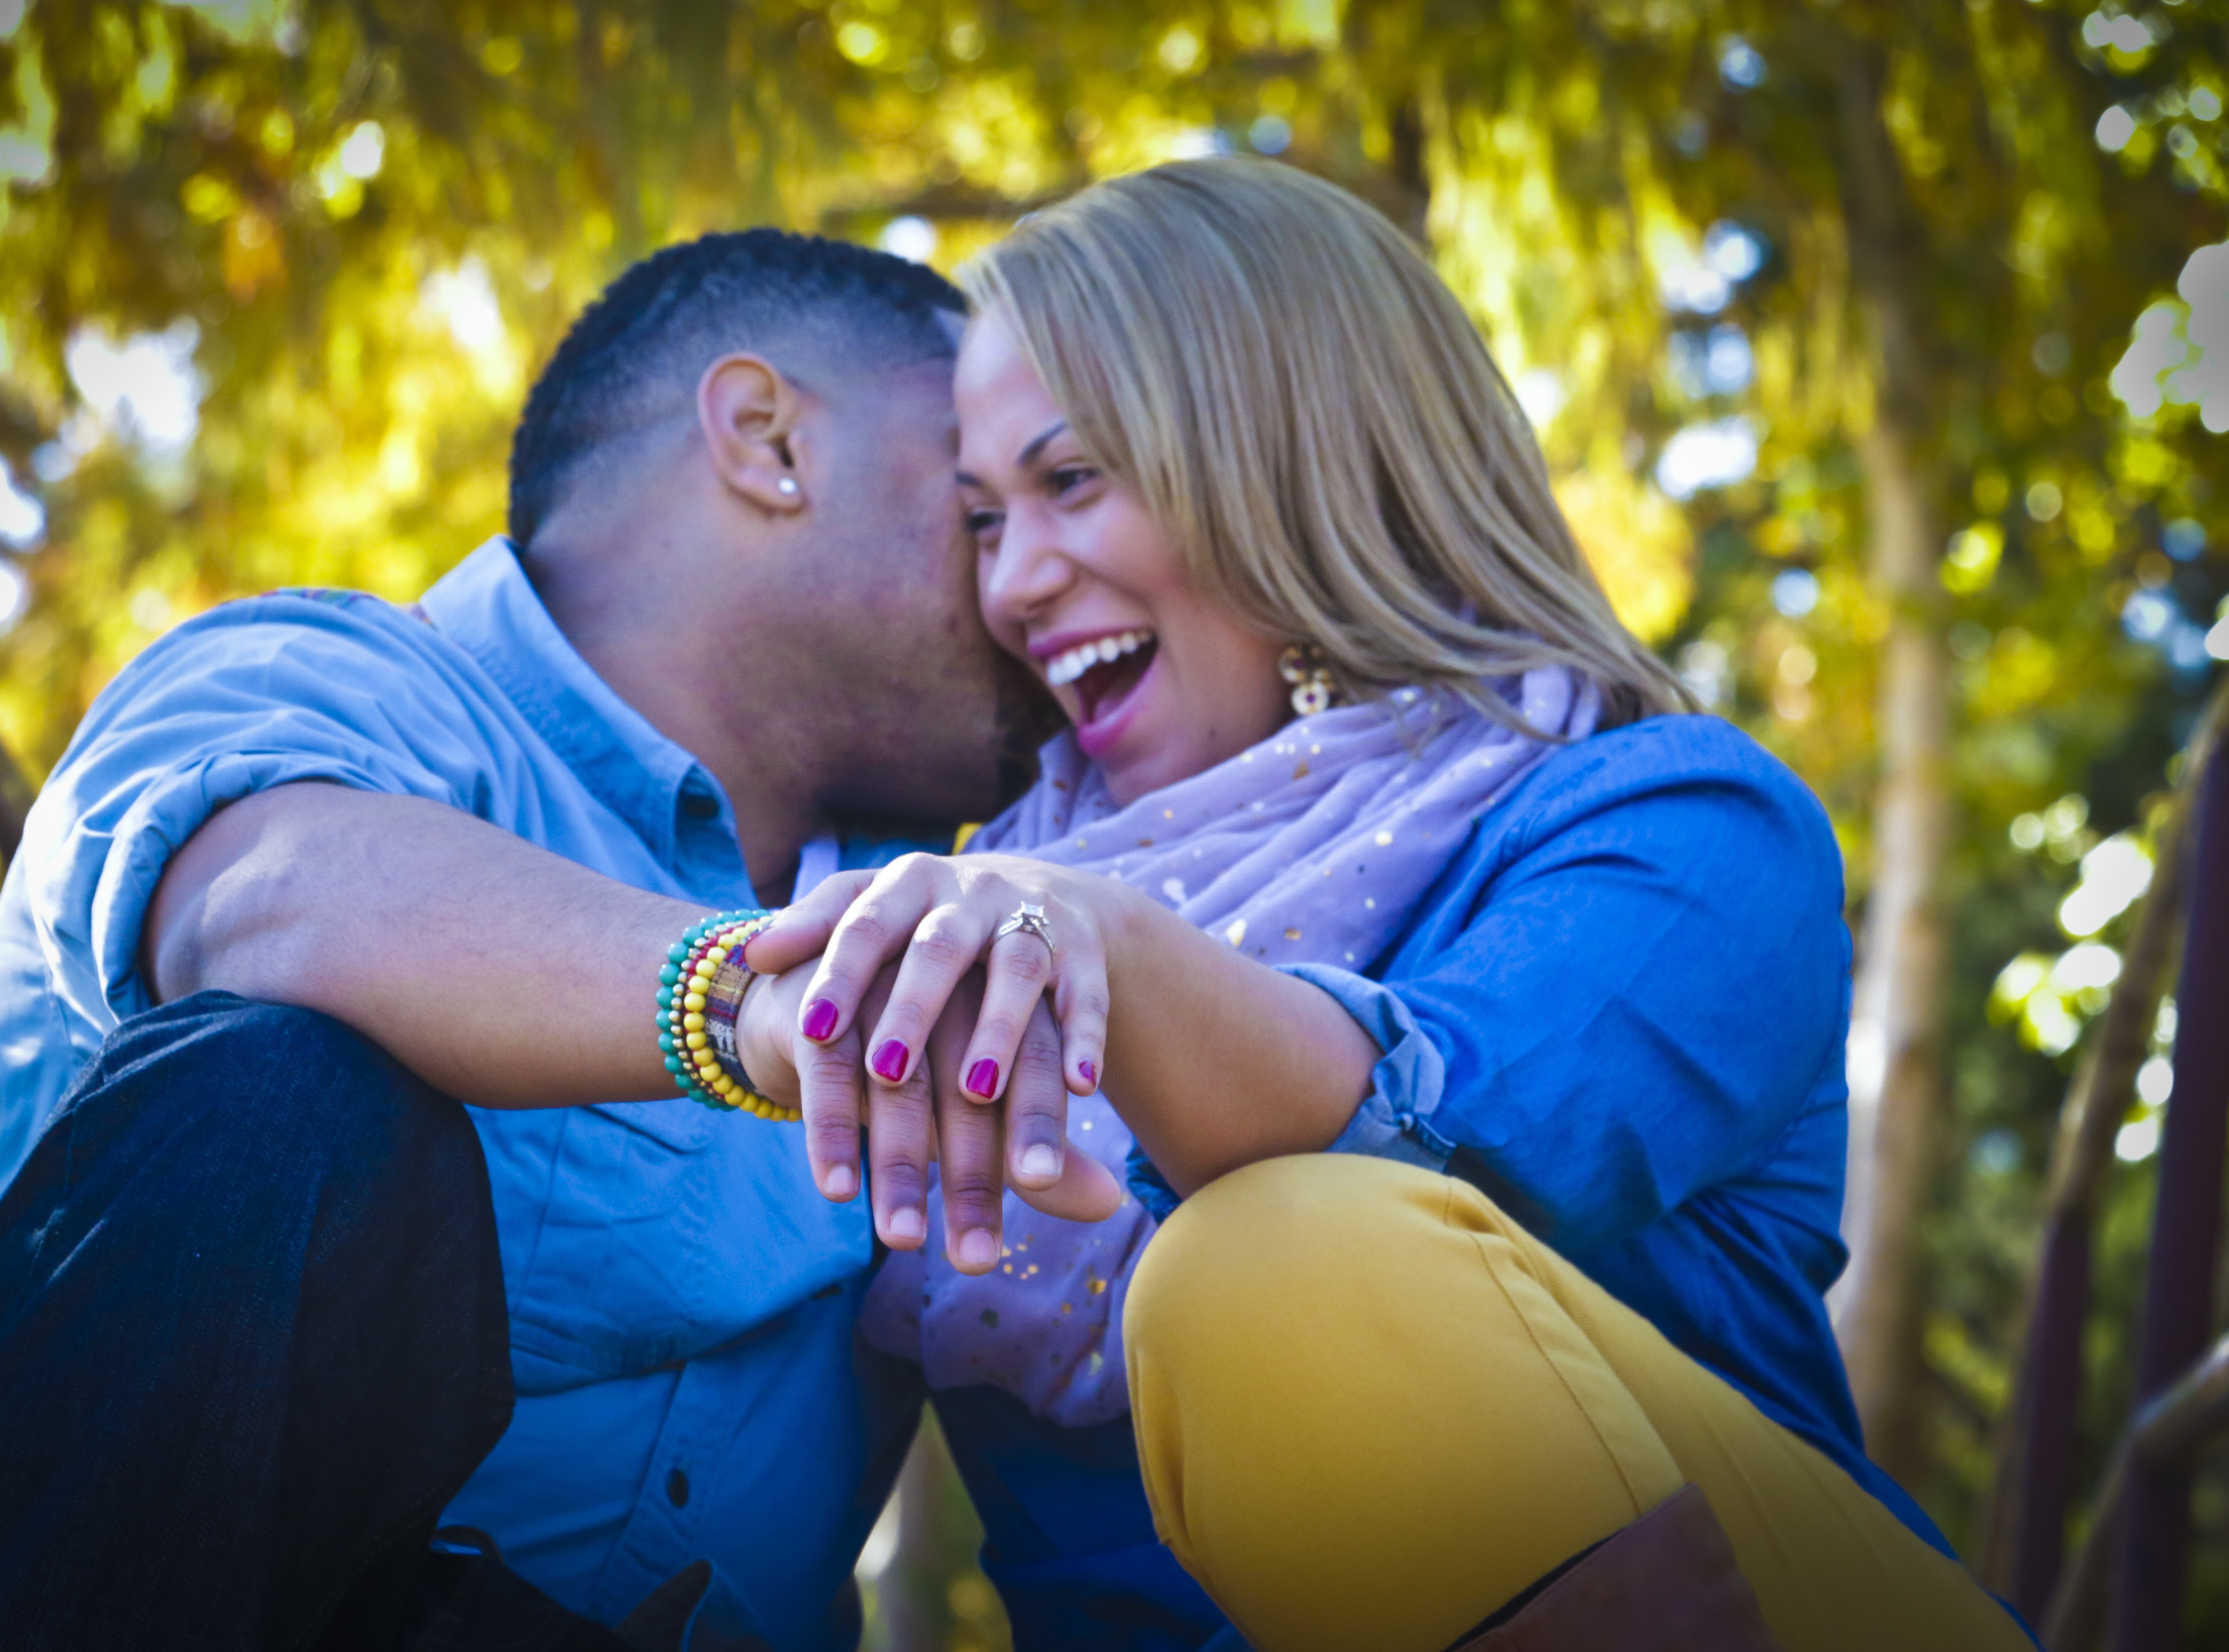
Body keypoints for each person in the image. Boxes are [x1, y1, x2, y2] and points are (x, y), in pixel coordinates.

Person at [0, 230, 1117, 1652]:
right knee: (280, 1086)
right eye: (977, 509)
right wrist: (754, 1007)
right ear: (768, 441)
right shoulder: (329, 685)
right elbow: (264, 893)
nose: (1030, 583)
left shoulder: (973, 896)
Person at [753, 160, 2033, 1651]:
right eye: (981, 521)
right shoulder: (976, 909)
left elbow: (1436, 1148)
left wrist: (1104, 951)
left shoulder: (1680, 825)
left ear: (1290, 453)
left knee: (1270, 1261)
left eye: (1074, 479)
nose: (1017, 583)